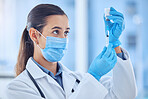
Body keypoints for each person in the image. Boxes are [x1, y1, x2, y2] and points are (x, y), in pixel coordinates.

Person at [4, 4, 137, 99]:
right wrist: (93, 76)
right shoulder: (18, 88)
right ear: (34, 35)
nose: (63, 39)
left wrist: (114, 45)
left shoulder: (78, 79)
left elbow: (125, 95)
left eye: (66, 32)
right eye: (56, 32)